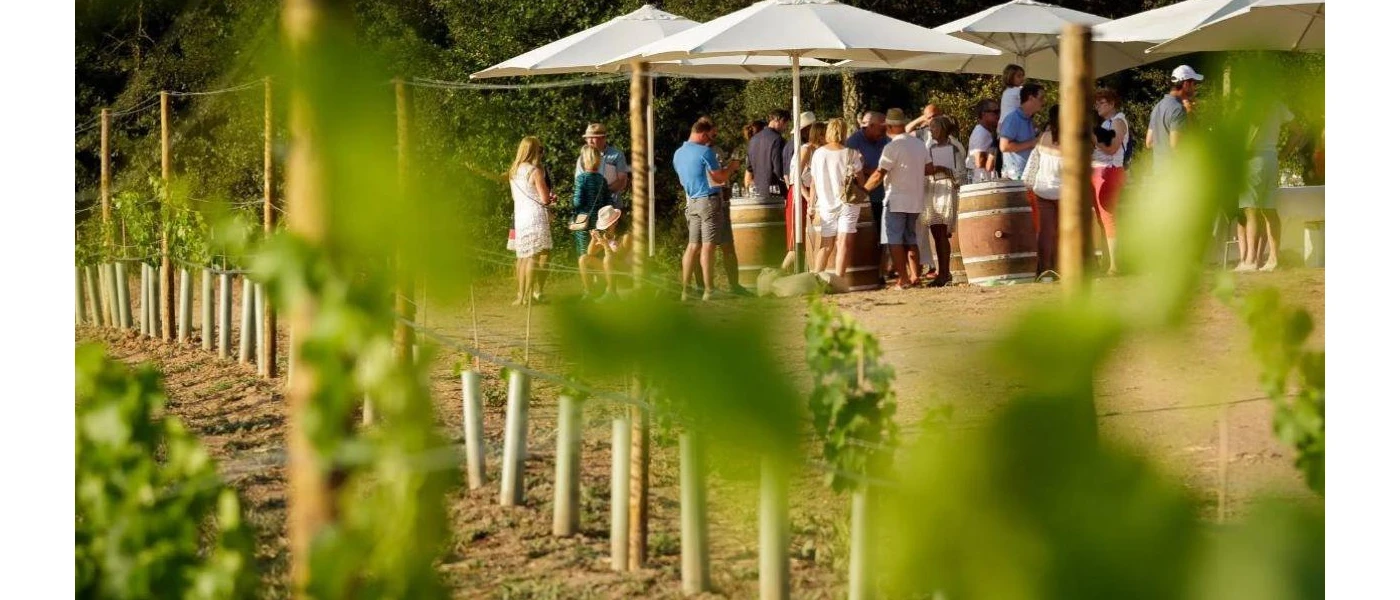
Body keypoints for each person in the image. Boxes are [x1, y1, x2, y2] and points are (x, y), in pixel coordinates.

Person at [864, 108, 937, 290]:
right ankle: (915, 276)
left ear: (889, 126)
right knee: (911, 238)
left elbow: (879, 174)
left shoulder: (892, 147)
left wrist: (863, 190)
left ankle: (903, 279)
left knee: (894, 239)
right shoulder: (919, 144)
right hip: (915, 198)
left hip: (896, 199)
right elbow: (929, 169)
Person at [675, 118, 743, 301]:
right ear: (703, 134)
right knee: (708, 246)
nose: (712, 140)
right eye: (711, 136)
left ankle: (685, 291)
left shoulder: (678, 154)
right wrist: (732, 167)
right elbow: (720, 178)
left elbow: (682, 180)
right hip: (709, 201)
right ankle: (709, 290)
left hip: (692, 202)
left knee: (692, 246)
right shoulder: (705, 152)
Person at [1236, 99, 1303, 272]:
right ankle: (1273, 259)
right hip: (1272, 159)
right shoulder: (1277, 104)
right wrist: (1284, 153)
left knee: (1250, 210)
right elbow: (1298, 131)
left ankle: (1250, 261)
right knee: (1269, 210)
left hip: (1253, 160)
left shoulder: (1252, 101)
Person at [809, 118, 866, 281]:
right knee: (843, 243)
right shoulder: (851, 153)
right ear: (844, 132)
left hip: (826, 204)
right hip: (848, 202)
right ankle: (839, 280)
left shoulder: (818, 154)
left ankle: (816, 278)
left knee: (826, 245)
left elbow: (813, 182)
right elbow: (861, 181)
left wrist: (811, 206)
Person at [506, 136, 554, 306]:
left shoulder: (513, 172)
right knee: (533, 256)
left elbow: (515, 197)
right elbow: (545, 198)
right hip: (535, 215)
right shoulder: (535, 171)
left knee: (522, 258)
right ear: (533, 151)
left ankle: (520, 296)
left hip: (520, 216)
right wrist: (551, 199)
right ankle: (528, 296)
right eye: (539, 149)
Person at [920, 115, 965, 287]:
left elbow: (961, 175)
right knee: (935, 231)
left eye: (934, 127)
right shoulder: (929, 147)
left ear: (943, 129)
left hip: (946, 189)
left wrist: (946, 170)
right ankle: (943, 272)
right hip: (932, 189)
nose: (931, 130)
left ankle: (945, 273)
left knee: (942, 232)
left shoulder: (954, 148)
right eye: (930, 127)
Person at [1091, 88, 1130, 276]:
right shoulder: (1106, 123)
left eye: (1101, 102)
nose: (1097, 106)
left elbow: (1112, 147)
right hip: (1099, 170)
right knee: (1102, 219)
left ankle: (1115, 264)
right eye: (1096, 103)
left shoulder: (1118, 121)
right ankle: (1108, 261)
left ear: (1112, 103)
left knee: (1108, 217)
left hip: (1110, 170)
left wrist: (1093, 136)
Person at [846, 111, 891, 275]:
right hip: (863, 199)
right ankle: (869, 270)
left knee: (884, 234)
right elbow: (850, 168)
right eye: (881, 129)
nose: (883, 132)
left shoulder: (886, 140)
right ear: (870, 126)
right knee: (867, 236)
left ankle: (883, 270)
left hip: (883, 196)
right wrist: (872, 171)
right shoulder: (853, 142)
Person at [1022, 105, 1063, 278]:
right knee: (1063, 233)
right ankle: (1061, 268)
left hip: (1042, 190)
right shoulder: (1074, 140)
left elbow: (1033, 164)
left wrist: (1026, 185)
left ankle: (1045, 269)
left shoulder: (1044, 137)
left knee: (1045, 233)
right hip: (1065, 193)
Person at [1146, 65, 1203, 172]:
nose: (1195, 88)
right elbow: (1177, 147)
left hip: (1158, 172)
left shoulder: (1158, 106)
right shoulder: (1178, 109)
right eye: (1194, 83)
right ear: (1186, 84)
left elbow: (1149, 142)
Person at [781, 111, 817, 271]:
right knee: (796, 242)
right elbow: (795, 177)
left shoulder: (801, 146)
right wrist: (808, 197)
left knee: (804, 240)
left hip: (803, 192)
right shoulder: (802, 147)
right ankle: (777, 275)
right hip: (799, 194)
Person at [578, 205, 631, 301]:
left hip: (625, 273)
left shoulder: (626, 237)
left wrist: (606, 245)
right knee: (584, 259)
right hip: (610, 270)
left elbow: (618, 258)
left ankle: (611, 293)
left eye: (606, 226)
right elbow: (590, 253)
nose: (604, 229)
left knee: (608, 259)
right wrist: (594, 239)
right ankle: (589, 291)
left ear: (615, 223)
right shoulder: (607, 235)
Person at [571, 146, 614, 264]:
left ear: (584, 160)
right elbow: (609, 202)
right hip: (600, 223)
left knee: (584, 256)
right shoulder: (602, 180)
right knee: (598, 253)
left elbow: (577, 202)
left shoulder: (581, 179)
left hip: (584, 223)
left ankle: (586, 275)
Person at [576, 123, 631, 207]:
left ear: (603, 138)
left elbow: (622, 181)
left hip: (612, 205)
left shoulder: (617, 155)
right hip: (589, 206)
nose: (590, 141)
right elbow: (579, 182)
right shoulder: (582, 158)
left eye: (593, 137)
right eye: (588, 138)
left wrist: (603, 193)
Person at [966, 99, 1000, 182]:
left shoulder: (985, 132)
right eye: (995, 112)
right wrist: (993, 153)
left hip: (985, 182)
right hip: (982, 183)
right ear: (983, 114)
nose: (998, 115)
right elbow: (979, 162)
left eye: (999, 111)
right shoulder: (980, 132)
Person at [741, 119, 766, 191]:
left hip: (753, 185)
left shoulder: (751, 147)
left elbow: (748, 171)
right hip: (759, 186)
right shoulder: (759, 149)